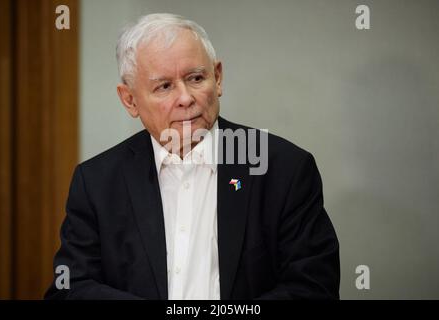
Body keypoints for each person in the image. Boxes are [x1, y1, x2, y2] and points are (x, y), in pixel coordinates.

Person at [44, 13, 340, 300]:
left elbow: (315, 287)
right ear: (130, 99)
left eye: (196, 78)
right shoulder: (97, 182)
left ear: (218, 78)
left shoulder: (282, 169)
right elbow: (69, 289)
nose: (185, 98)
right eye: (164, 86)